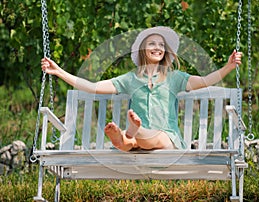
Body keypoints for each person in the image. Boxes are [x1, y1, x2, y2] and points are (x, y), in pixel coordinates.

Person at [41, 26, 242, 152]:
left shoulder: (174, 78)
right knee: (129, 145)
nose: (157, 47)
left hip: (167, 138)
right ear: (143, 50)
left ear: (165, 51)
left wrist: (228, 67)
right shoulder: (130, 79)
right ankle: (122, 137)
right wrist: (59, 72)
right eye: (152, 43)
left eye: (161, 44)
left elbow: (206, 81)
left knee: (147, 137)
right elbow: (92, 87)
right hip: (138, 142)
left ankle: (131, 131)